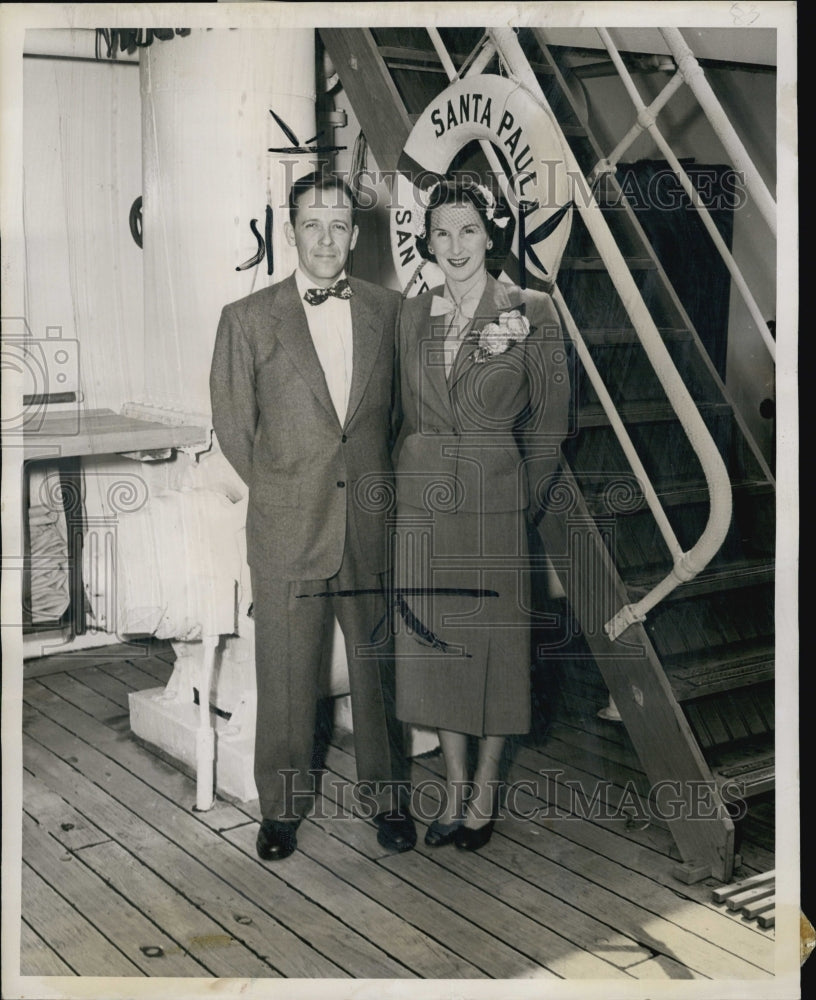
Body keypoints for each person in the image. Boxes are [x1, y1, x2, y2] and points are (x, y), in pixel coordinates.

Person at [210, 171, 416, 861]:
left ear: (355, 236)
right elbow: (235, 430)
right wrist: (289, 489)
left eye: (339, 226)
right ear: (290, 232)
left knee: (378, 671)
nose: (326, 239)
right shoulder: (246, 319)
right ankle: (281, 810)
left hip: (369, 523)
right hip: (287, 526)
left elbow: (400, 419)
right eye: (312, 225)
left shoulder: (390, 311)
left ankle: (389, 799)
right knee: (286, 677)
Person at [392, 177, 571, 851]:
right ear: (428, 242)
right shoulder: (413, 314)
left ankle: (486, 786)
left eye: (468, 229)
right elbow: (398, 412)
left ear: (490, 234)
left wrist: (519, 496)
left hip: (495, 501)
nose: (456, 245)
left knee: (496, 651)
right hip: (423, 508)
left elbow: (551, 425)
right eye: (442, 232)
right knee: (434, 651)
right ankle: (454, 783)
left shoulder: (532, 310)